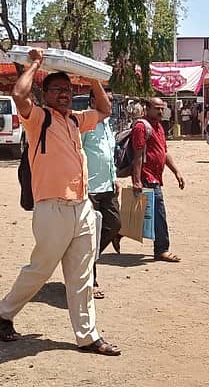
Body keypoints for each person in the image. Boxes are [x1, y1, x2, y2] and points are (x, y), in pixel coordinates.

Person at [0, 49, 120, 356]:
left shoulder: (76, 121)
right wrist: (35, 64)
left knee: (81, 274)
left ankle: (87, 336)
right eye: (57, 90)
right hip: (52, 208)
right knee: (40, 270)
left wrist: (92, 79)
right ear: (46, 94)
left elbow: (104, 108)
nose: (64, 94)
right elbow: (18, 93)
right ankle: (5, 311)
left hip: (82, 206)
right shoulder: (38, 119)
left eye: (67, 90)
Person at [131, 97, 186, 263]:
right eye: (157, 108)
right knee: (159, 214)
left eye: (162, 108)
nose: (161, 112)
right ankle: (162, 249)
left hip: (157, 176)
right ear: (147, 108)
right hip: (147, 177)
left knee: (142, 212)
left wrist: (176, 172)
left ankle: (117, 232)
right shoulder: (141, 127)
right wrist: (137, 179)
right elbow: (138, 155)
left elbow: (164, 151)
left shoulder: (160, 127)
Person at [82, 93, 122, 300]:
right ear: (92, 101)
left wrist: (114, 176)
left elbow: (109, 154)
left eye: (111, 100)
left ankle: (89, 259)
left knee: (114, 224)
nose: (110, 103)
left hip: (107, 185)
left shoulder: (107, 124)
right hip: (89, 188)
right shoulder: (86, 122)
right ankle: (90, 280)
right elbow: (77, 151)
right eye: (105, 99)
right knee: (91, 235)